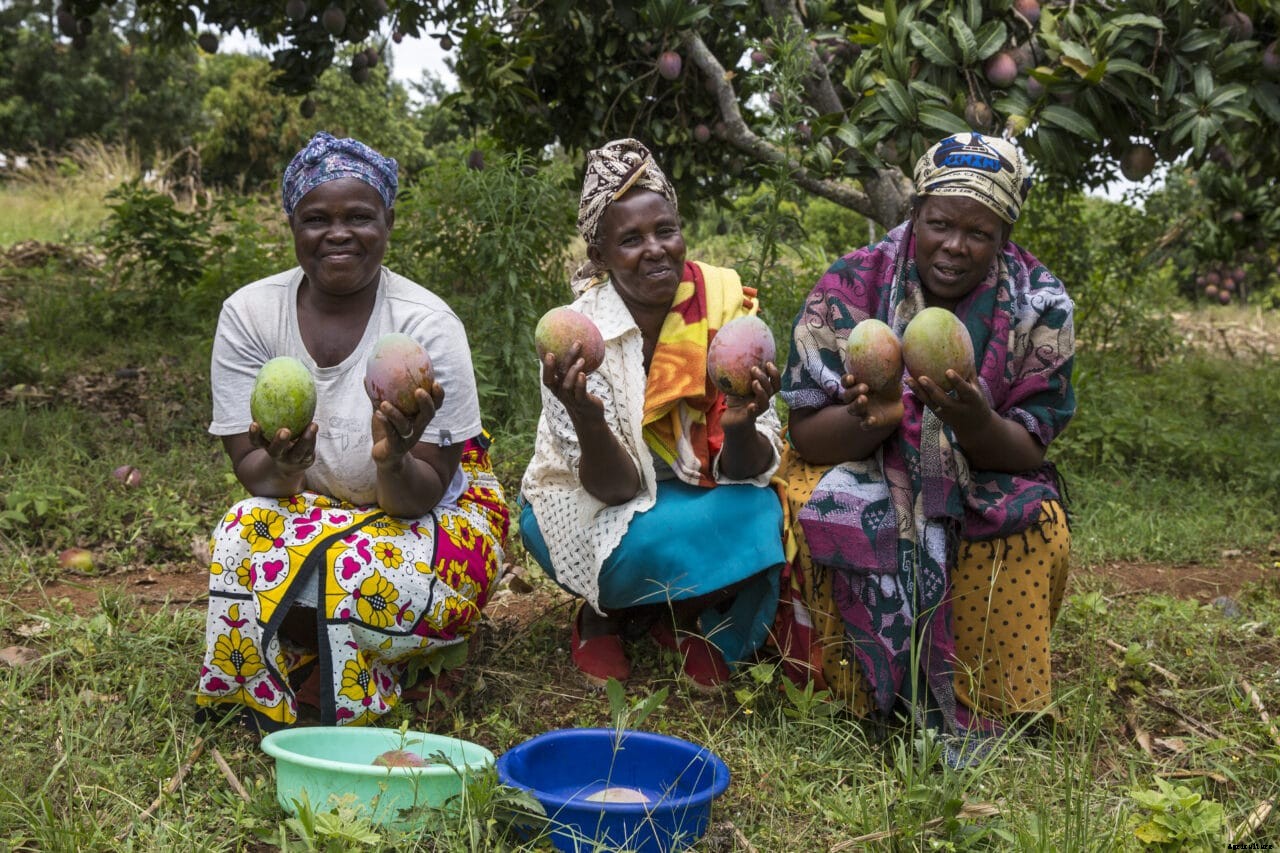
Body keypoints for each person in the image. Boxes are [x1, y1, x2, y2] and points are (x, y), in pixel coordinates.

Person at [195, 131, 509, 730]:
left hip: (433, 518)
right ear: (292, 223)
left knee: (354, 568)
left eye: (360, 216)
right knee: (237, 538)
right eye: (316, 217)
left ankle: (404, 661)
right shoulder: (250, 315)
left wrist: (393, 458)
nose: (338, 232)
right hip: (317, 510)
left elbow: (421, 496)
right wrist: (286, 465)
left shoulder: (426, 325)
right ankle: (331, 656)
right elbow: (254, 477)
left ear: (388, 221)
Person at [775, 132, 1075, 753]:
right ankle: (853, 695)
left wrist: (973, 421)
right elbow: (804, 430)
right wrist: (878, 417)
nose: (955, 247)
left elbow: (1028, 448)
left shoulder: (1038, 304)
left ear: (1003, 236)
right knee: (813, 509)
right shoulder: (851, 287)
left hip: (979, 465)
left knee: (1033, 528)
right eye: (940, 223)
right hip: (858, 456)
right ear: (915, 213)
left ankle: (989, 700)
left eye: (980, 233)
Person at [519, 138, 785, 691]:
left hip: (693, 488)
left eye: (665, 230)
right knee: (642, 543)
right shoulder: (576, 334)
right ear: (600, 256)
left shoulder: (724, 306)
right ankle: (603, 614)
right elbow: (614, 490)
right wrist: (585, 415)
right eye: (630, 239)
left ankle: (698, 623)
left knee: (761, 518)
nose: (655, 249)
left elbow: (748, 467)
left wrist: (738, 429)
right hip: (593, 497)